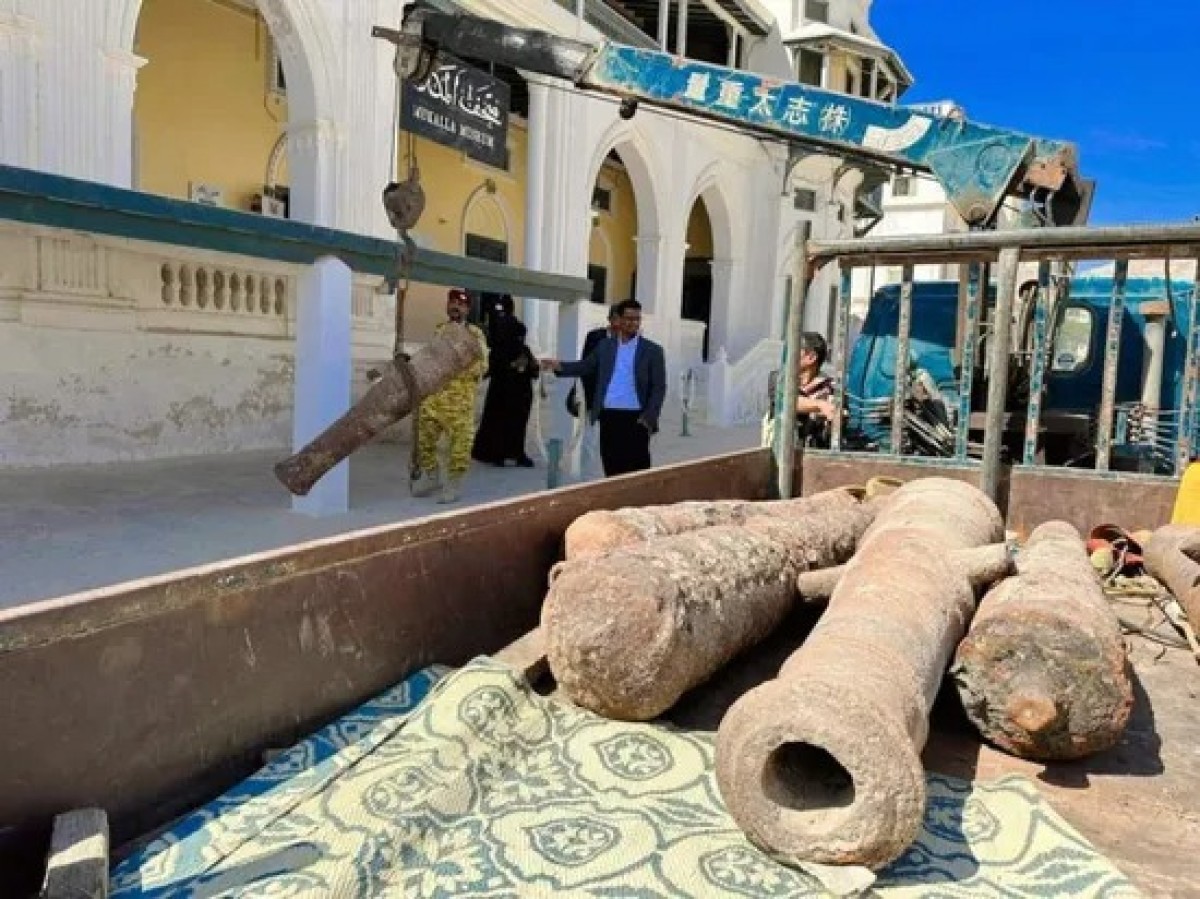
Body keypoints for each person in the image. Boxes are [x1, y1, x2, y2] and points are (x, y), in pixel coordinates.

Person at [542, 298, 666, 477]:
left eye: (637, 319)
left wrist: (649, 417)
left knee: (638, 471)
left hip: (637, 418)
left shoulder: (653, 350)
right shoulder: (605, 346)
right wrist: (559, 366)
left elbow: (658, 387)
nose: (633, 323)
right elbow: (585, 366)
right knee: (612, 467)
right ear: (619, 319)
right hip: (609, 416)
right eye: (629, 318)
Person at [413, 287, 488, 503]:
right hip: (434, 398)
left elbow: (482, 366)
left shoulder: (475, 335)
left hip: (459, 402)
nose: (455, 307)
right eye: (452, 303)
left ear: (467, 309)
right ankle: (431, 476)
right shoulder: (439, 330)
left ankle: (453, 484)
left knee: (460, 445)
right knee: (424, 440)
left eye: (461, 304)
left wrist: (454, 365)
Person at [472, 294, 537, 467]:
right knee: (500, 419)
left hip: (516, 385)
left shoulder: (516, 335)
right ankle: (498, 452)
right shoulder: (501, 331)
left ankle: (513, 452)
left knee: (514, 420)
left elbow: (530, 365)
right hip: (504, 383)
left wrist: (527, 364)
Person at [566, 304, 621, 478]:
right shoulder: (595, 337)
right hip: (594, 395)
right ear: (610, 319)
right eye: (617, 318)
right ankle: (586, 478)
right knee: (589, 439)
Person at [765, 331, 837, 449]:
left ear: (811, 357)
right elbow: (787, 401)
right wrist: (820, 405)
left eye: (794, 349)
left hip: (815, 458)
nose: (788, 355)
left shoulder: (830, 387)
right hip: (780, 457)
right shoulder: (778, 378)